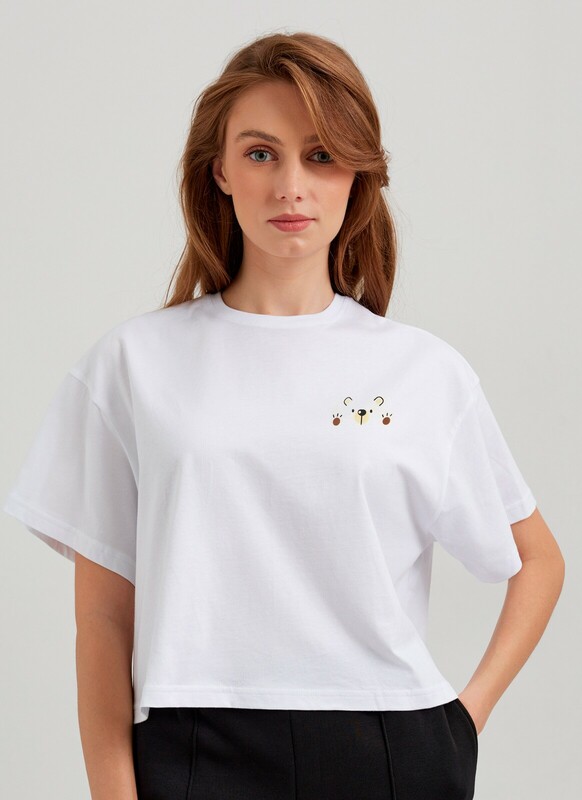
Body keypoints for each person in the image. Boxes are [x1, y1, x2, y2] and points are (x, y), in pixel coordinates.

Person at [2, 30, 564, 800]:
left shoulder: (424, 372)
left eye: (321, 155)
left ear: (357, 173)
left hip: (392, 747)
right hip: (195, 745)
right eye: (261, 153)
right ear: (220, 171)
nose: (291, 186)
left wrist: (464, 720)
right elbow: (102, 618)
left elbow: (538, 561)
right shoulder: (133, 364)